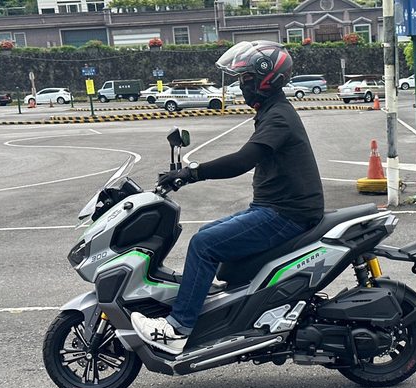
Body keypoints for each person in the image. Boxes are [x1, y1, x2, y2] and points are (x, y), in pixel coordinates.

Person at [131, 40, 324, 354]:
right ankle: (214, 305)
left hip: (286, 214)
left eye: (246, 78)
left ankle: (178, 329)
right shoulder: (272, 112)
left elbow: (242, 161)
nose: (241, 85)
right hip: (275, 207)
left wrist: (190, 173)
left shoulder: (278, 117)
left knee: (204, 244)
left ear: (267, 80)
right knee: (208, 233)